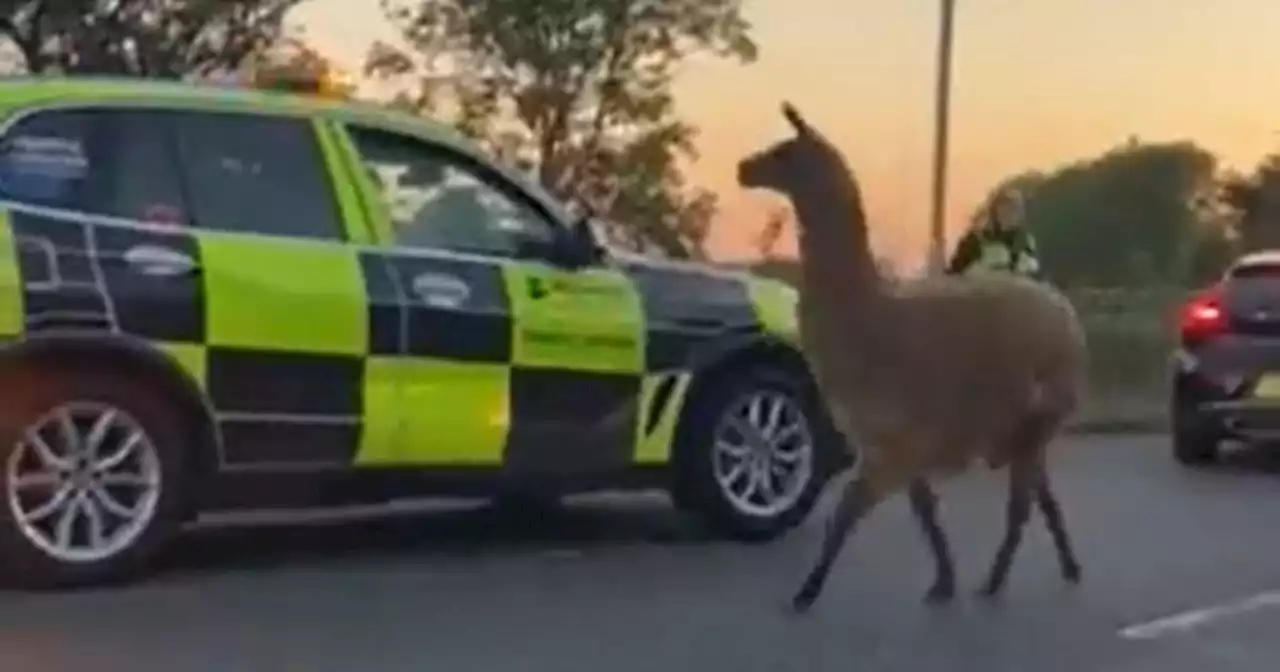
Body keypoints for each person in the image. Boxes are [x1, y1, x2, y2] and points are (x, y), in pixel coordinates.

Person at [946, 186, 1043, 279]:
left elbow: (1035, 274)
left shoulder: (1027, 242)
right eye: (1004, 208)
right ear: (994, 212)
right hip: (982, 293)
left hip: (1020, 293)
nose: (1010, 214)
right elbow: (956, 272)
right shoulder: (975, 240)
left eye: (1014, 209)